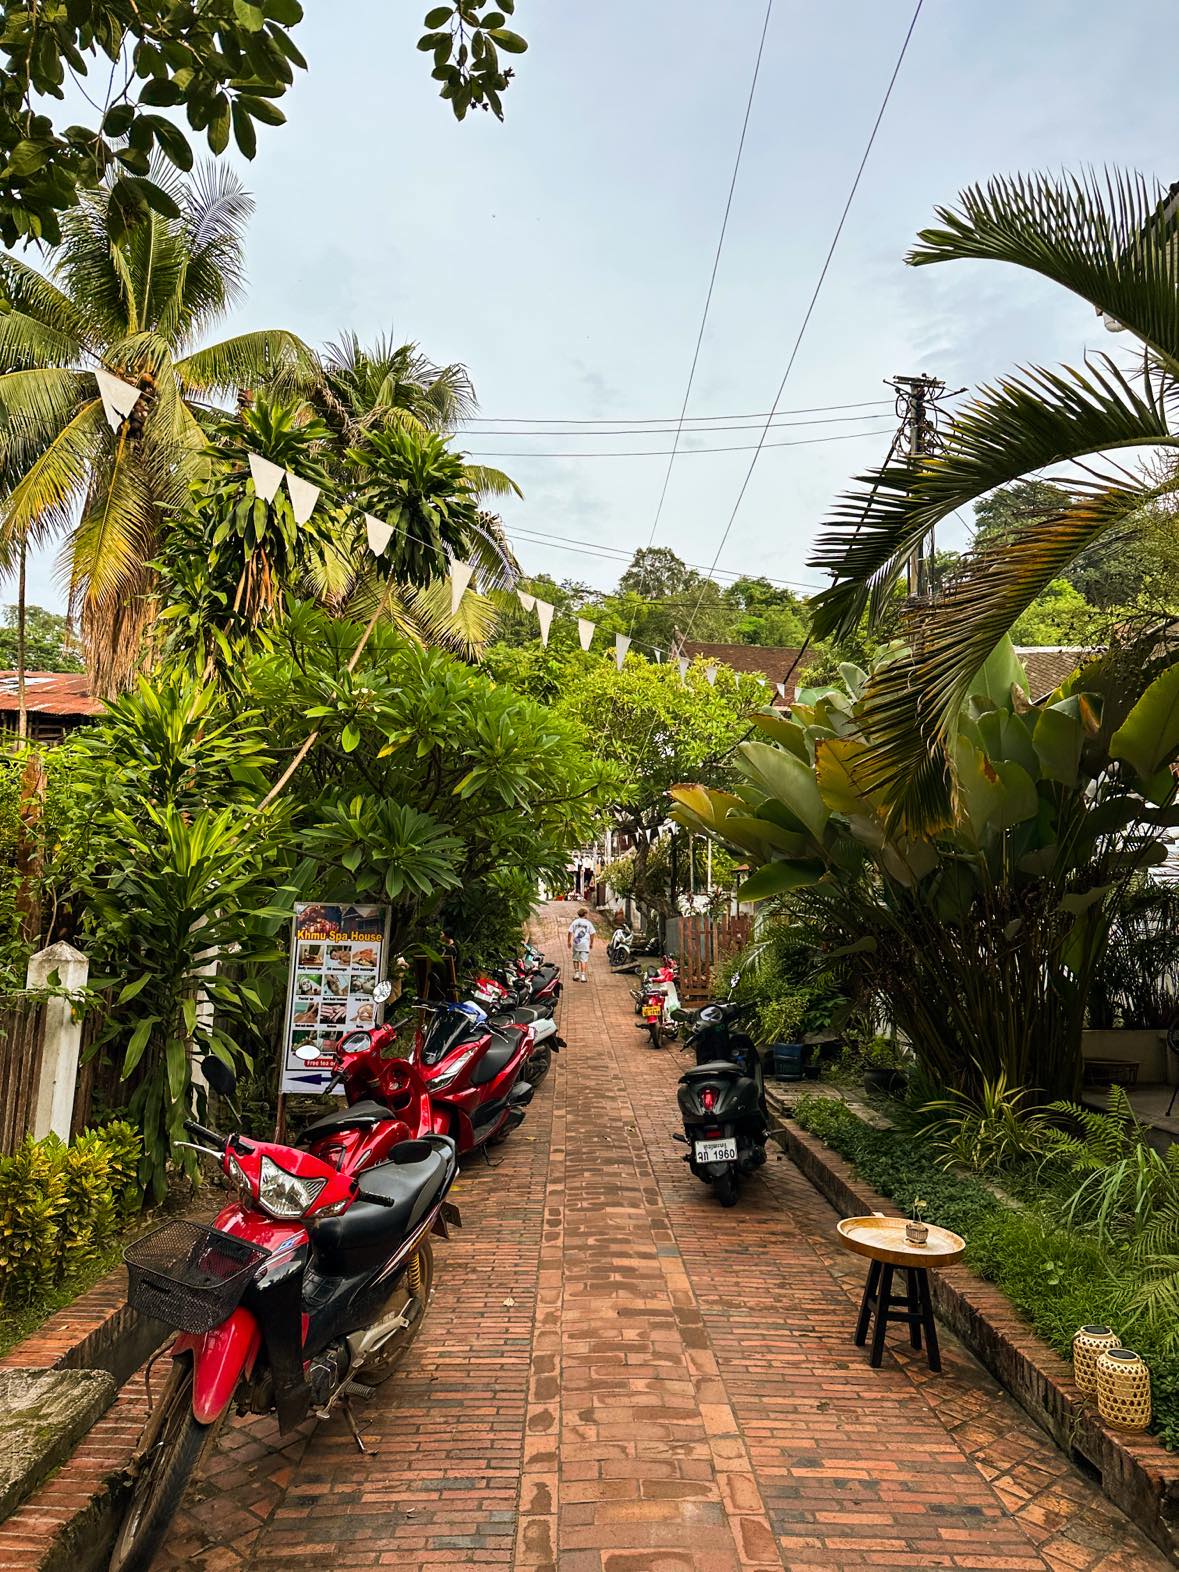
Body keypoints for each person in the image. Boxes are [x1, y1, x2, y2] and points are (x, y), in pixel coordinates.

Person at [567, 907, 595, 983]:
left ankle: (576, 974)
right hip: (585, 943)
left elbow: (570, 932)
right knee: (584, 960)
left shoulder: (575, 922)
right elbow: (592, 933)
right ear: (585, 914)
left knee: (575, 959)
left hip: (576, 942)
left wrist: (569, 942)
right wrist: (591, 943)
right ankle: (583, 976)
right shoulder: (588, 923)